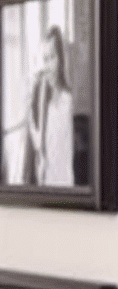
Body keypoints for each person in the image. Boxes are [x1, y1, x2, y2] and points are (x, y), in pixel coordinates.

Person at [24, 25, 74, 187]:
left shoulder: (68, 100)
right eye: (45, 59)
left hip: (64, 182)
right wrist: (30, 112)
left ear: (61, 58)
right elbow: (39, 143)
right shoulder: (43, 100)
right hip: (47, 182)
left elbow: (67, 152)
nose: (48, 66)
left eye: (52, 57)